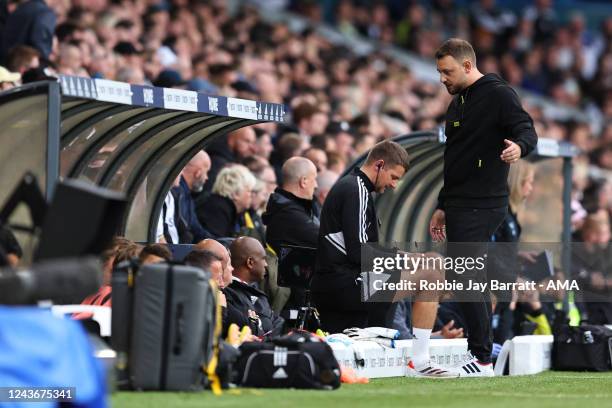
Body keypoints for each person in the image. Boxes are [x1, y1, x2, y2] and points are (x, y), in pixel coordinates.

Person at [429, 38, 538, 376]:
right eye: (439, 72)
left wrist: (519, 148)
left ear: (466, 65)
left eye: (447, 71)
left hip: (483, 201)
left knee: (464, 275)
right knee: (463, 275)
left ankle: (481, 358)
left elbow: (527, 130)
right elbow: (454, 160)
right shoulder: (458, 103)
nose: (442, 78)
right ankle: (481, 354)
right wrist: (442, 204)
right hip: (459, 202)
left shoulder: (499, 94)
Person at [312, 140, 456, 378]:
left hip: (349, 280)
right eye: (393, 177)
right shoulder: (354, 189)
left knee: (432, 262)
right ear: (379, 165)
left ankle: (414, 351)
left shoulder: (358, 189)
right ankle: (419, 361)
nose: (393, 185)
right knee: (430, 272)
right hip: (341, 284)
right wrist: (409, 259)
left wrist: (411, 259)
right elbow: (360, 253)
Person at [223, 237, 284, 337]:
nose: (266, 264)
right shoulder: (225, 293)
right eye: (263, 259)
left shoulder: (258, 294)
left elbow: (279, 323)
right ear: (250, 262)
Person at [197, 165, 256, 238]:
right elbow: (216, 243)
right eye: (249, 191)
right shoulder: (217, 210)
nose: (252, 195)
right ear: (236, 194)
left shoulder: (234, 212)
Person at [173, 150, 213, 243]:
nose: (207, 177)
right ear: (198, 172)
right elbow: (187, 229)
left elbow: (197, 229)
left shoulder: (186, 195)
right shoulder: (178, 192)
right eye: (206, 172)